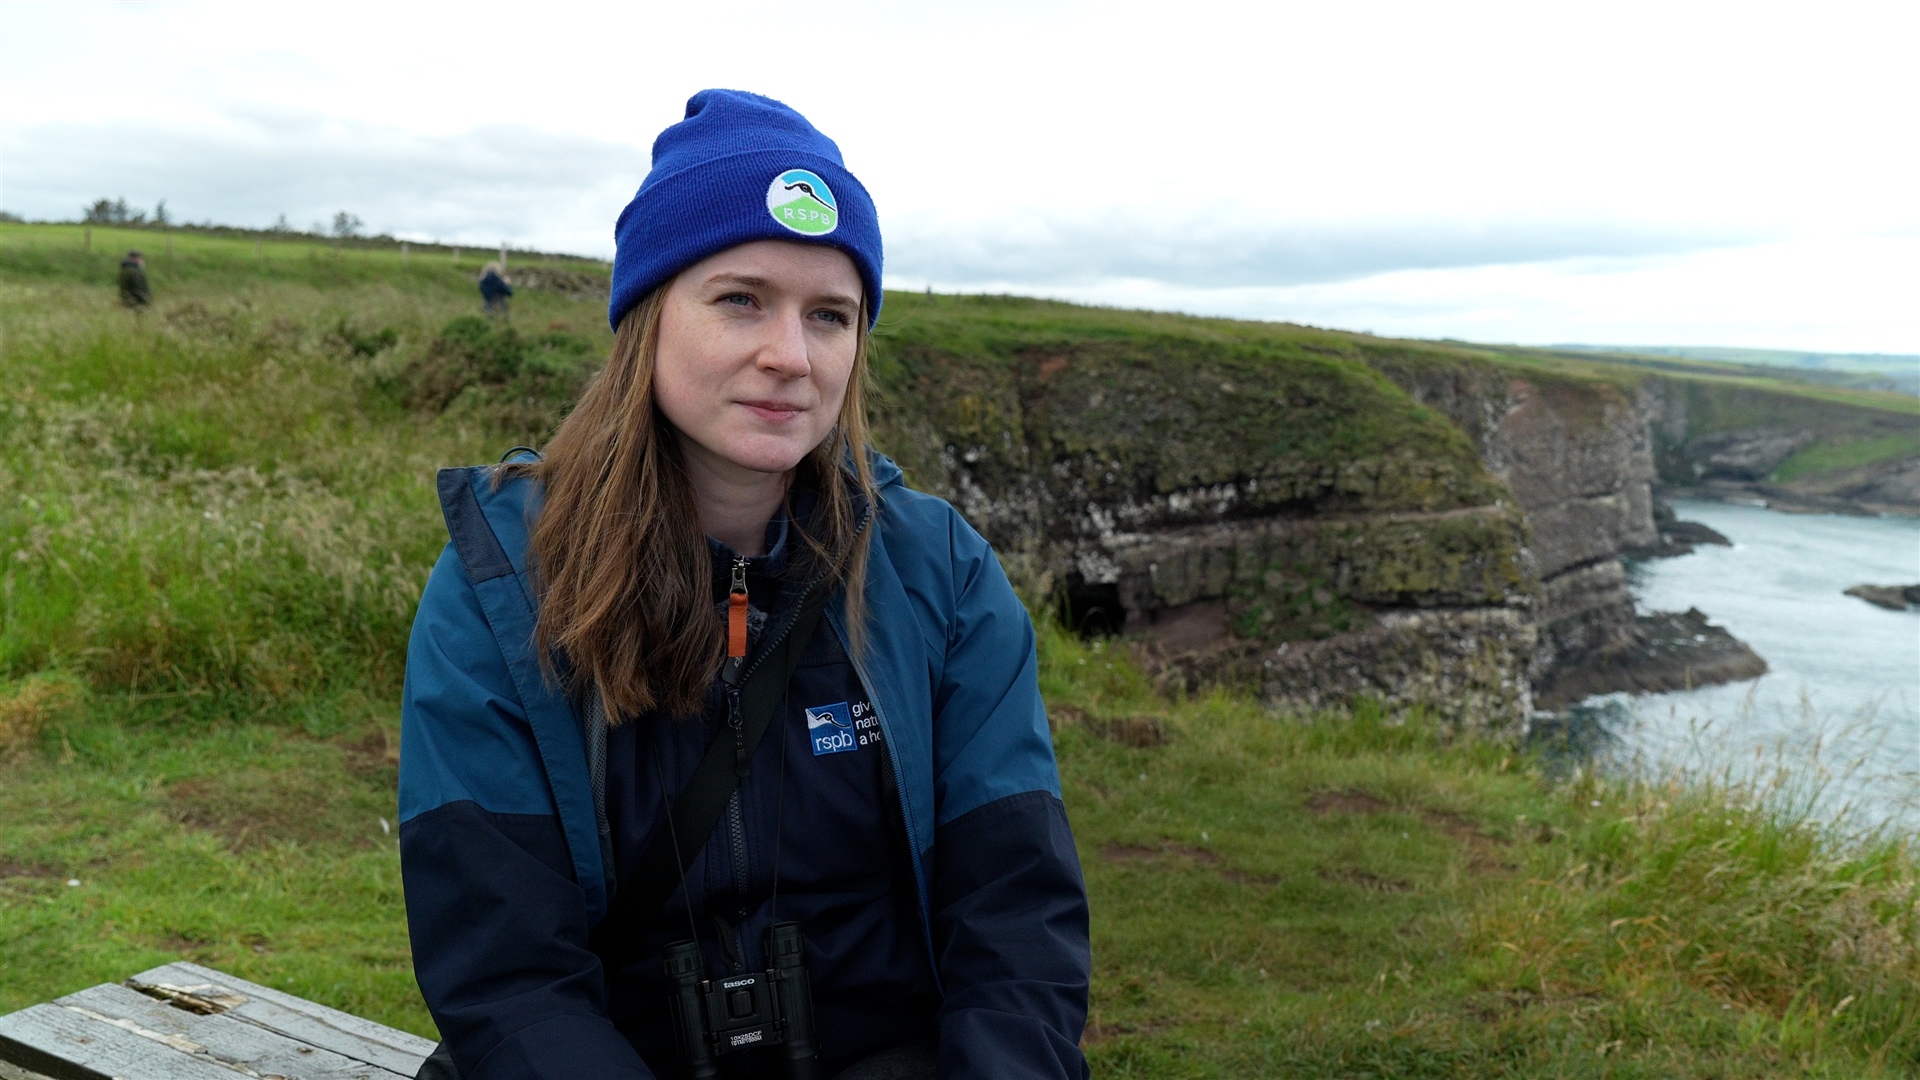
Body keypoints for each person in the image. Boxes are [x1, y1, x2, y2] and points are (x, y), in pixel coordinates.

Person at [399, 90, 1090, 1080]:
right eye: (740, 299)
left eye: (830, 315)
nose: (790, 356)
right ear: (648, 316)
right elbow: (508, 982)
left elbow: (1017, 932)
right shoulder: (502, 589)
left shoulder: (942, 576)